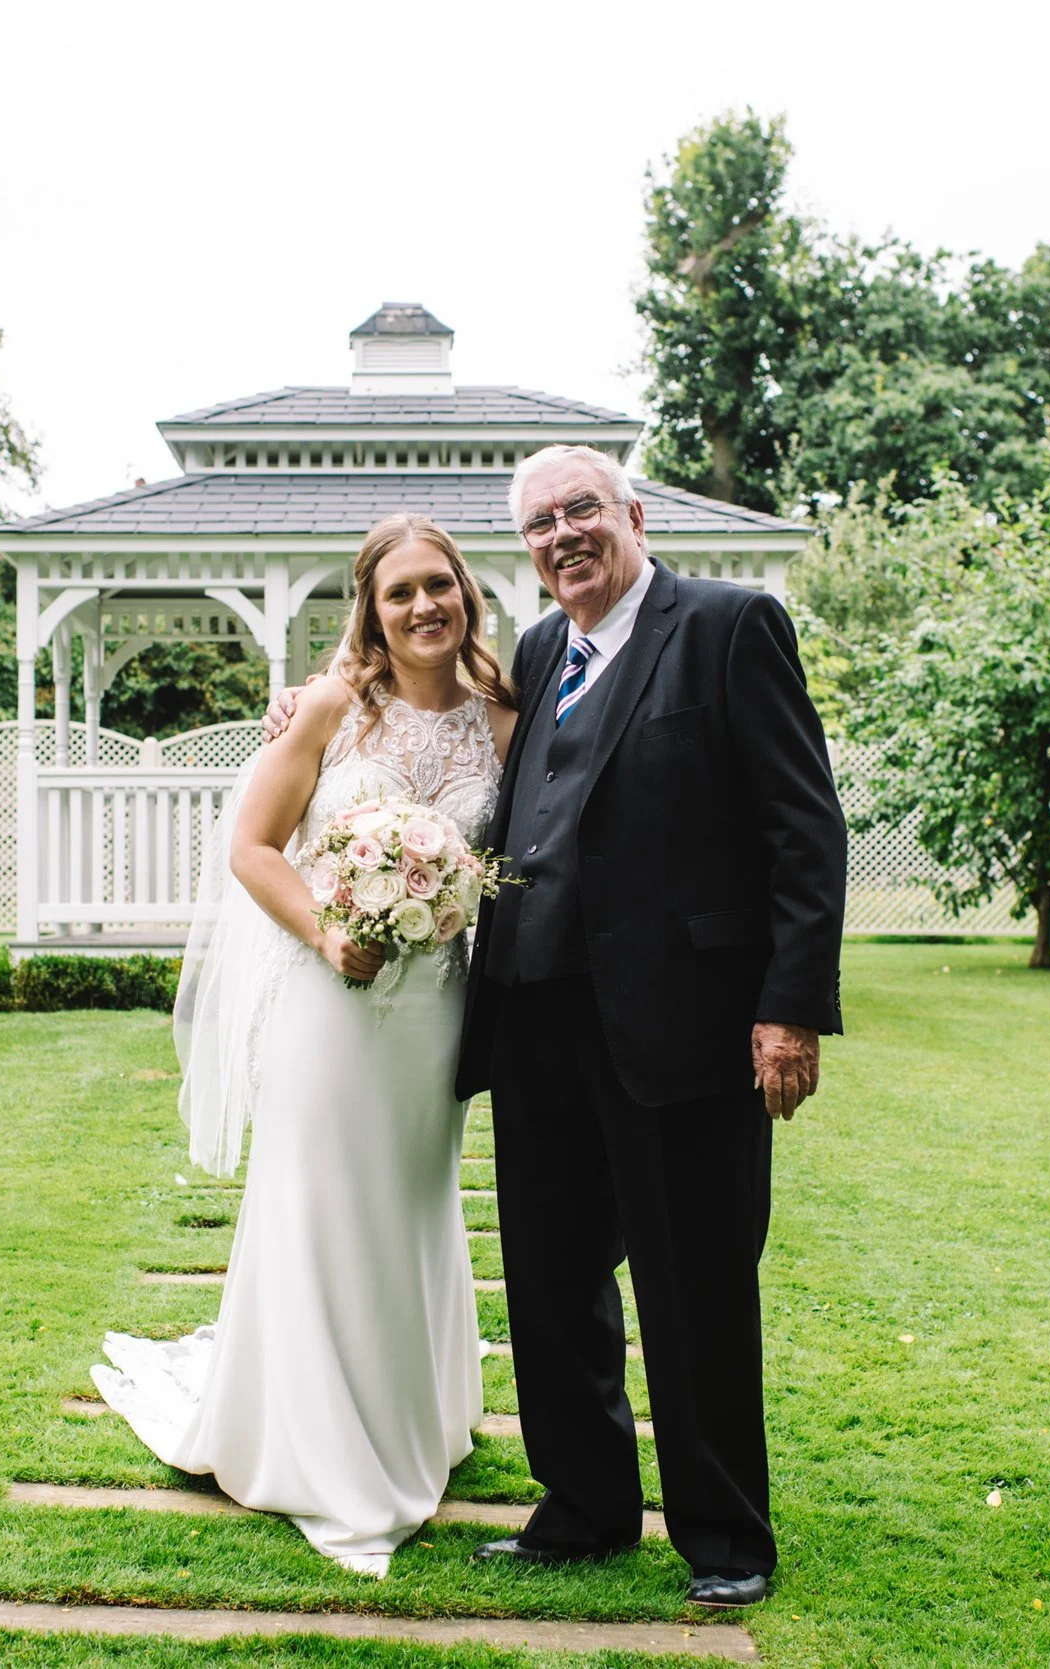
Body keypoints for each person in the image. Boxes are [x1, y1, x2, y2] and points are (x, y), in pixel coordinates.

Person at [263, 443, 846, 1608]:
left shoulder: (727, 627)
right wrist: (299, 703)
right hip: (532, 1018)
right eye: (539, 524)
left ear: (632, 515)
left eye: (581, 509)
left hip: (682, 1023)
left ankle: (725, 1536)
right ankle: (583, 1506)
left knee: (693, 1281)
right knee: (551, 1275)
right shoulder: (535, 655)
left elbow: (803, 824)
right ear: (526, 550)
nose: (563, 535)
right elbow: (400, 689)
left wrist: (787, 1008)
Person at [91, 514, 517, 1578]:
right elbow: (252, 845)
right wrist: (328, 931)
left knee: (411, 1204)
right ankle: (314, 1443)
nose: (423, 606)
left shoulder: (501, 717)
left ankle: (412, 1417)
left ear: (465, 592)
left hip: (434, 1013)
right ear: (369, 609)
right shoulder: (329, 707)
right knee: (319, 1202)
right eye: (399, 591)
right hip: (328, 1001)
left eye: (438, 584)